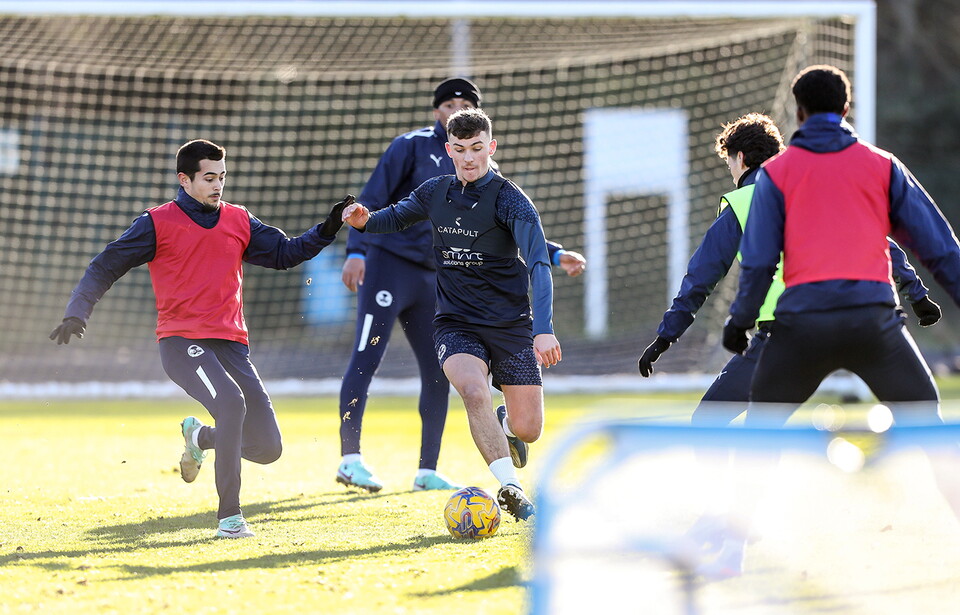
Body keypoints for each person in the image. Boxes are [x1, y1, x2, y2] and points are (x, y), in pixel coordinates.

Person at [637, 112, 941, 577]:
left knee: (718, 422)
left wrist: (666, 335)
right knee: (927, 423)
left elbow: (701, 277)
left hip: (785, 335)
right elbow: (883, 242)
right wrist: (917, 294)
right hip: (860, 323)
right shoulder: (818, 187)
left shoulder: (742, 202)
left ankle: (728, 527)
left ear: (739, 158)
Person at [720, 64, 960, 576]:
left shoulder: (777, 176)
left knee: (760, 433)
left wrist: (740, 322)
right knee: (931, 429)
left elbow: (760, 262)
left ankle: (730, 554)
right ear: (845, 109)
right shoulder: (882, 165)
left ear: (799, 113)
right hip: (873, 325)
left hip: (800, 328)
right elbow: (938, 248)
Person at [49, 139, 353, 539]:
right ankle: (230, 519)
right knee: (230, 402)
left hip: (231, 345)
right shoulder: (158, 222)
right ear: (185, 179)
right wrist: (77, 310)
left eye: (222, 177)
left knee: (267, 447)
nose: (217, 185)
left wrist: (330, 227)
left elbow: (285, 253)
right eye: (209, 177)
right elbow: (106, 264)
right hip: (181, 343)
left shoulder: (239, 219)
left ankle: (199, 437)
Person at [336, 77, 585, 494]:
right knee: (430, 376)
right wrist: (360, 237)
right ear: (445, 139)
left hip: (472, 300)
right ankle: (354, 458)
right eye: (459, 147)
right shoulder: (420, 165)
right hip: (421, 293)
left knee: (499, 410)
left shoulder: (504, 191)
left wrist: (550, 288)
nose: (468, 157)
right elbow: (385, 210)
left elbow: (524, 247)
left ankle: (461, 449)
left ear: (490, 145)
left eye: (476, 148)